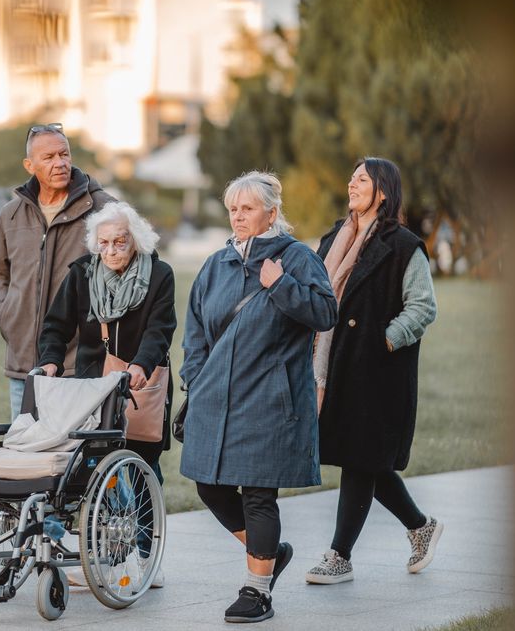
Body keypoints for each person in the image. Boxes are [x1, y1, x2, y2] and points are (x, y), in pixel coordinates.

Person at [180, 171, 337, 624]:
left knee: (258, 495)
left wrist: (280, 285)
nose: (238, 215)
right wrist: (196, 375)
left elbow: (326, 313)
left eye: (247, 208)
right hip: (216, 397)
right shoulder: (216, 264)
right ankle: (267, 551)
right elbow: (195, 329)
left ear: (271, 212)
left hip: (270, 399)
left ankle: (257, 590)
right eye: (233, 208)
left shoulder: (297, 258)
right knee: (208, 484)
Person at [306, 157, 441, 586]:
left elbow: (423, 307)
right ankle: (421, 528)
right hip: (334, 365)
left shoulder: (403, 245)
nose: (351, 183)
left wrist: (385, 339)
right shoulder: (332, 239)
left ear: (382, 190)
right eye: (351, 177)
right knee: (363, 457)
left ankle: (339, 555)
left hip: (377, 372)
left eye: (361, 179)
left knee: (359, 458)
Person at [36, 201, 176, 587]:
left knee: (144, 465)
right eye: (105, 243)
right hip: (92, 386)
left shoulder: (159, 275)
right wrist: (49, 360)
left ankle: (148, 557)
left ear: (136, 240)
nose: (112, 250)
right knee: (95, 465)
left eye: (120, 242)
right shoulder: (82, 274)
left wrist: (140, 363)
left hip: (140, 385)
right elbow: (55, 326)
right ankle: (103, 553)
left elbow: (161, 328)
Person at [0, 123, 115, 420]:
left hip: (76, 362)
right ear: (29, 165)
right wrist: (4, 314)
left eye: (64, 154)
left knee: (69, 458)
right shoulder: (11, 214)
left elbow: (130, 269)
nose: (60, 163)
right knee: (24, 453)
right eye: (48, 157)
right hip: (23, 362)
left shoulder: (103, 210)